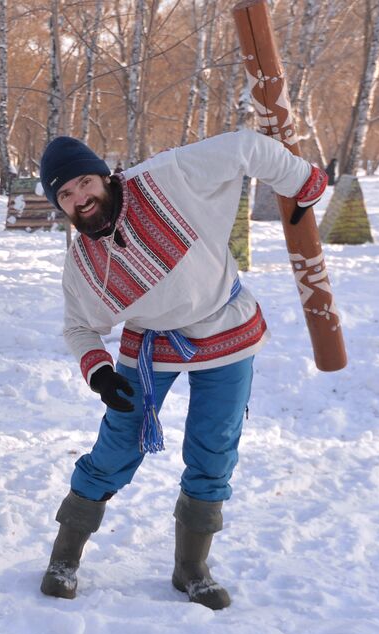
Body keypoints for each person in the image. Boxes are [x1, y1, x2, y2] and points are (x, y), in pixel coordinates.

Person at [37, 132, 326, 608]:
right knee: (115, 447)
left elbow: (246, 147)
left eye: (84, 183)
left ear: (105, 175)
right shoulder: (85, 262)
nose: (79, 199)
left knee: (214, 447)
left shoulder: (168, 177)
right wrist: (101, 374)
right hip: (150, 345)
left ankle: (191, 566)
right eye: (65, 195)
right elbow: (78, 329)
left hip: (225, 330)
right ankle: (64, 556)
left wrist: (302, 181)